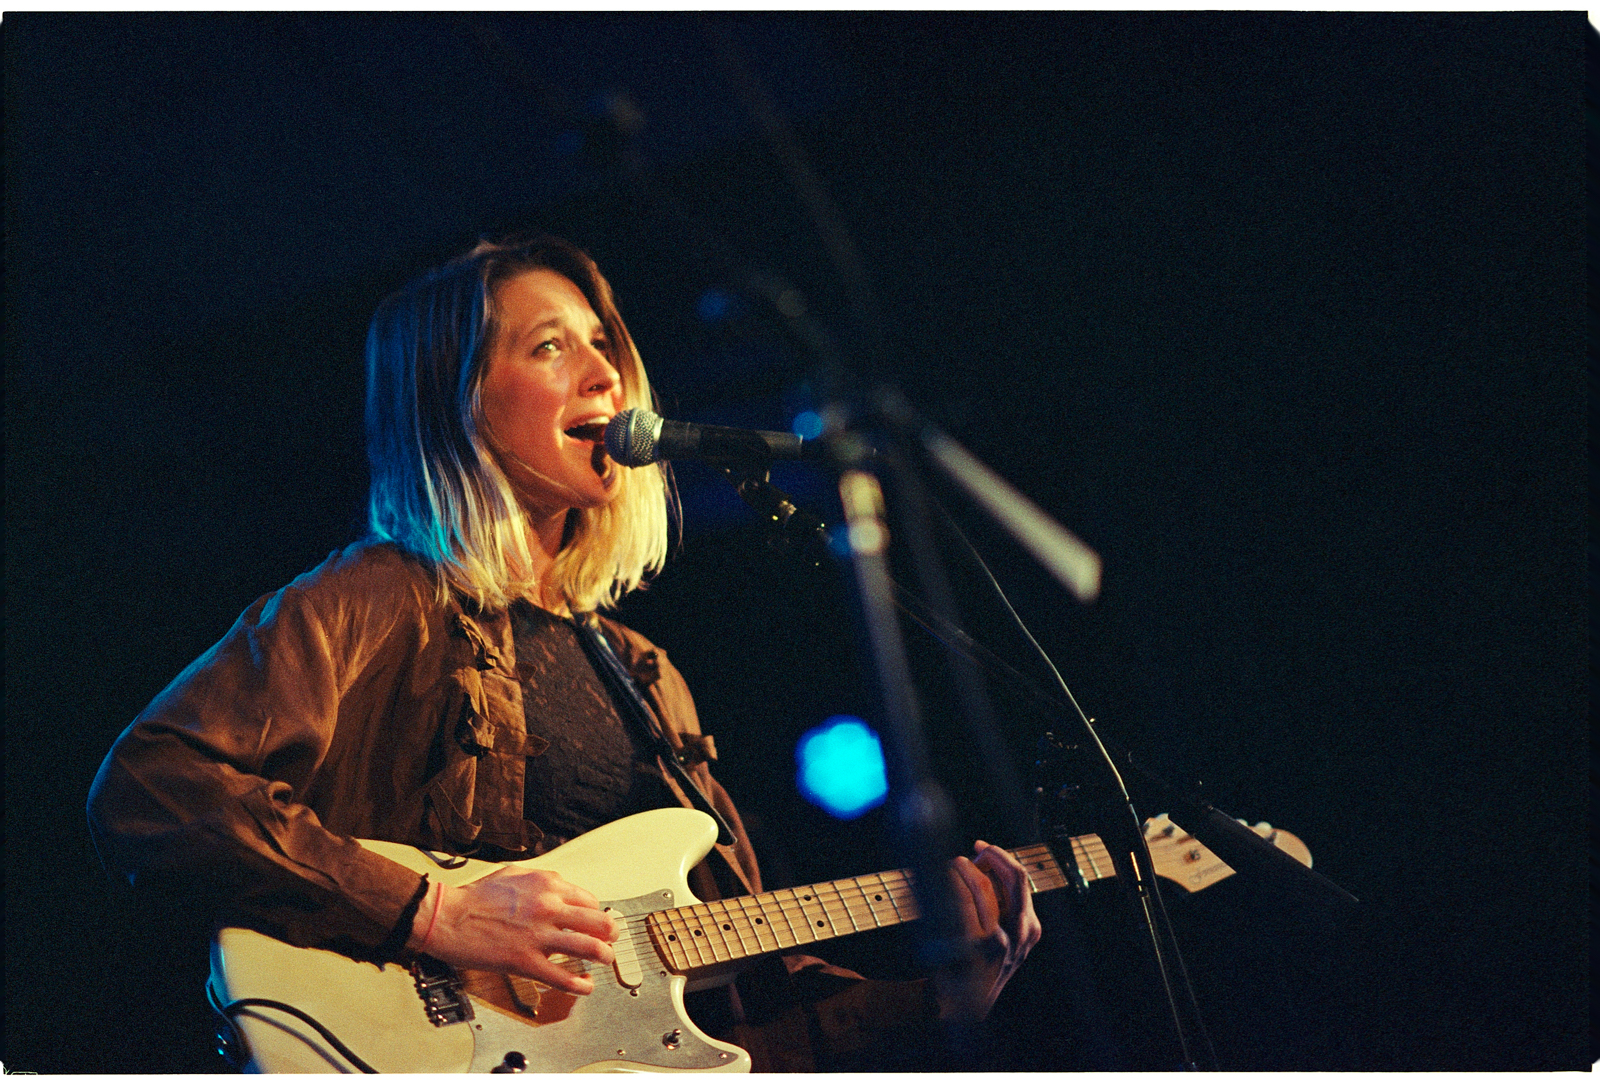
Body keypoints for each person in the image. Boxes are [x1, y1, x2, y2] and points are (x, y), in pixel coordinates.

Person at [87, 235, 1040, 1071]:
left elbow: (747, 1010)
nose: (604, 373)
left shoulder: (648, 673)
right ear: (452, 400)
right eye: (551, 346)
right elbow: (152, 784)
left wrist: (950, 995)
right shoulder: (381, 594)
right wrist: (430, 909)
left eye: (603, 344)